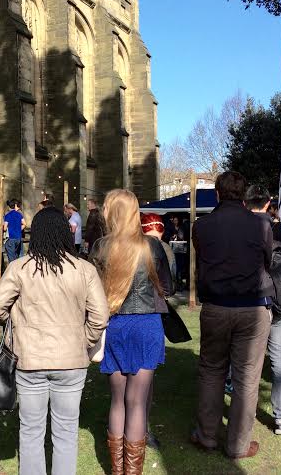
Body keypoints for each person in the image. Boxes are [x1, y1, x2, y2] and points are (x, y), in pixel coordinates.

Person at [0, 207, 109, 475]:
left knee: (31, 430)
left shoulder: (20, 268)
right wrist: (84, 339)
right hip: (71, 360)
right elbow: (100, 316)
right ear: (65, 233)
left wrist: (16, 325)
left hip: (30, 359)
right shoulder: (84, 269)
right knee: (66, 430)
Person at [190, 171, 273, 459]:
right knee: (246, 377)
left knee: (212, 371)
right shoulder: (261, 224)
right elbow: (267, 260)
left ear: (217, 194)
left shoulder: (202, 226)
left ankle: (207, 436)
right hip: (251, 306)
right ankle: (237, 445)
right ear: (244, 195)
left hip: (217, 305)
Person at [90, 189, 172, 473]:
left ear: (110, 212)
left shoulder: (100, 246)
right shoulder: (151, 246)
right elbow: (168, 286)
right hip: (146, 324)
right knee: (137, 402)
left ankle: (117, 471)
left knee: (118, 400)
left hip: (115, 324)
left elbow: (93, 291)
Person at [245, 185, 281, 436]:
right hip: (276, 303)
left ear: (245, 203)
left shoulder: (241, 229)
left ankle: (245, 414)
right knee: (279, 361)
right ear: (268, 204)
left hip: (249, 302)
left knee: (247, 361)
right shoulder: (279, 230)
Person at [140, 212, 175, 450]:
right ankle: (142, 430)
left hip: (119, 315)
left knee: (121, 386)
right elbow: (168, 286)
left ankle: (129, 436)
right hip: (149, 312)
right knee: (144, 380)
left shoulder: (111, 245)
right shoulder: (162, 249)